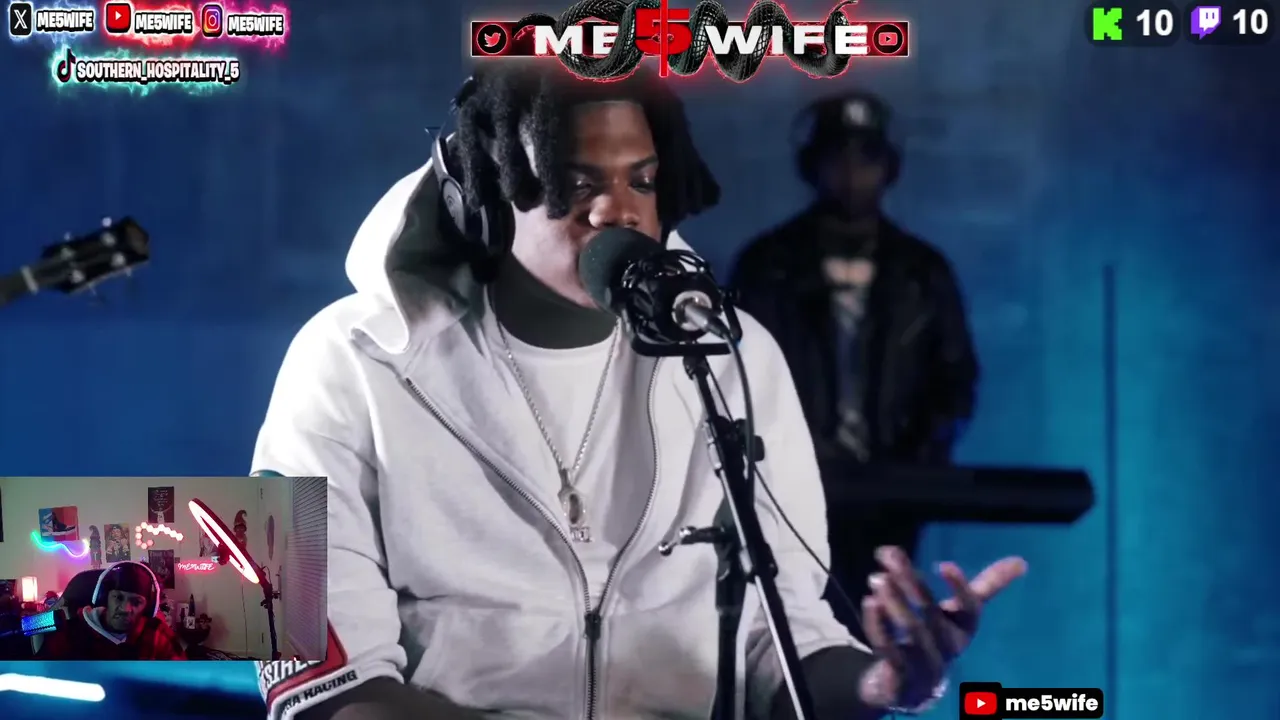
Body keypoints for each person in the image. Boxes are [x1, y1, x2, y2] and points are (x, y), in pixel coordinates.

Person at [251, 64, 1022, 720]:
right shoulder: (339, 356)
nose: (617, 209)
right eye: (574, 183)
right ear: (483, 198)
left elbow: (783, 644)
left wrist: (883, 682)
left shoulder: (736, 354)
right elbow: (307, 681)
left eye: (642, 181)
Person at [731, 92, 981, 631]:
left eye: (866, 158)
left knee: (877, 628)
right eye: (836, 158)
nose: (850, 174)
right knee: (796, 628)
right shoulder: (767, 268)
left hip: (894, 494)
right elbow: (736, 377)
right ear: (812, 167)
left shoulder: (923, 275)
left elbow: (955, 382)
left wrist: (918, 458)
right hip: (791, 491)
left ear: (889, 168)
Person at [37, 561, 185, 660]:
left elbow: (183, 681)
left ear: (149, 607)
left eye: (136, 602)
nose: (125, 609)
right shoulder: (71, 633)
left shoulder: (158, 635)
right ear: (103, 597)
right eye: (118, 598)